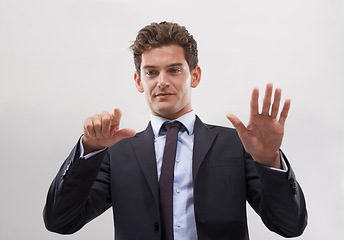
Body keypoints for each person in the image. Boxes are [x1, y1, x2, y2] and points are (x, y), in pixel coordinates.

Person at [43, 21, 307, 240]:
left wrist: (269, 160)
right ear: (138, 80)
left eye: (174, 70)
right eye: (151, 72)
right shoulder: (116, 152)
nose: (162, 82)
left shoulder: (236, 144)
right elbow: (60, 221)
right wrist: (89, 150)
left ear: (194, 75)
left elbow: (289, 226)